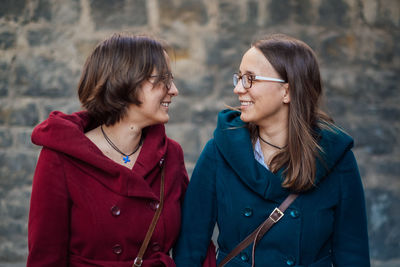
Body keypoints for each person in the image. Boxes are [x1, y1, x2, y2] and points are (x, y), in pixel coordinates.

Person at [174, 34, 370, 266]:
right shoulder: (219, 151)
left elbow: (352, 255)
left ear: (287, 91)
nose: (238, 89)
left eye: (250, 79)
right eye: (238, 78)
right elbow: (190, 248)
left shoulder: (335, 157)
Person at [27, 32, 216, 267]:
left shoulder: (170, 154)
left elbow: (193, 240)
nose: (174, 90)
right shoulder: (61, 156)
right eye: (163, 79)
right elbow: (45, 257)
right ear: (126, 81)